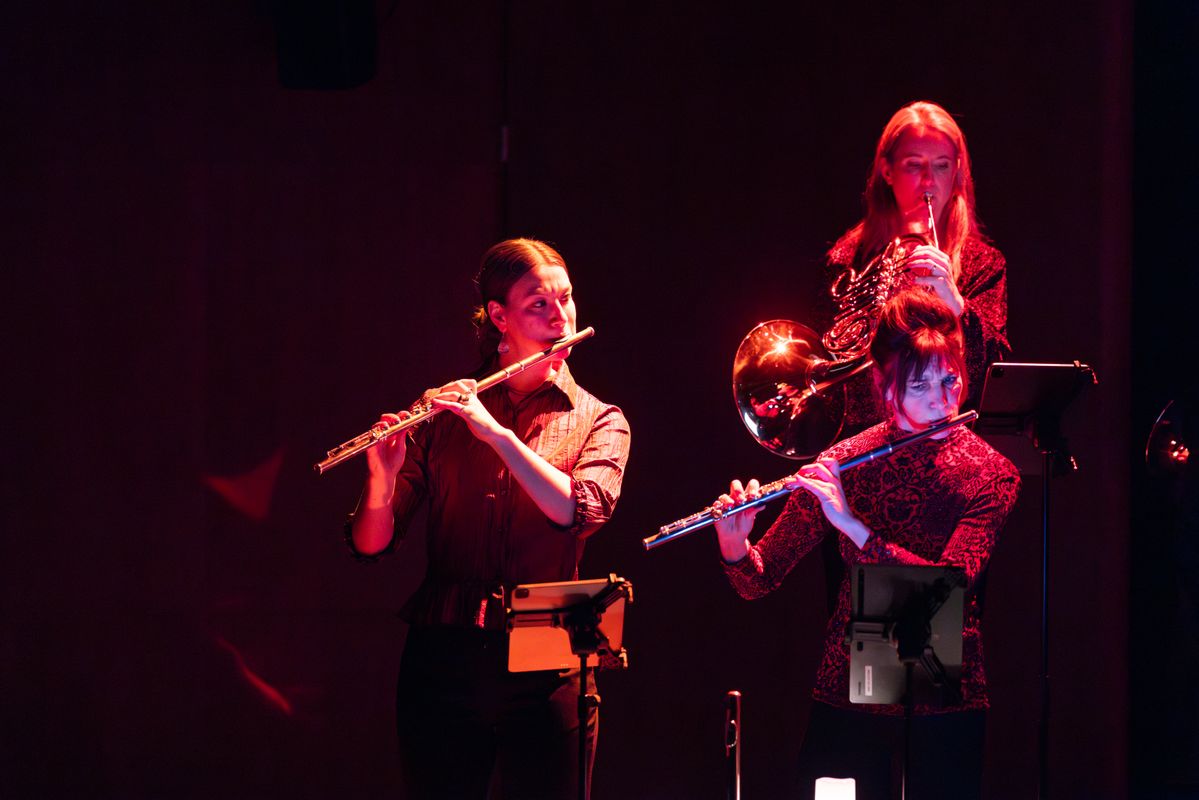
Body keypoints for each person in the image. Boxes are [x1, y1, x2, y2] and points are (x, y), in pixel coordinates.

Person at [345, 238, 630, 799]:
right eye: (538, 305)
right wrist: (380, 477)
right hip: (445, 651)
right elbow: (371, 546)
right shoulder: (445, 414)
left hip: (551, 652)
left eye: (566, 300)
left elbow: (579, 508)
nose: (560, 318)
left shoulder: (601, 419)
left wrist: (496, 436)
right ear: (499, 316)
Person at [714, 289, 1020, 799]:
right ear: (884, 384)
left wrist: (853, 527)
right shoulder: (845, 460)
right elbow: (759, 580)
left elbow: (951, 585)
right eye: (919, 383)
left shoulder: (993, 473)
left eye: (950, 379)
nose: (941, 398)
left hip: (946, 702)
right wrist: (735, 546)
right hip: (846, 696)